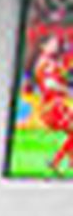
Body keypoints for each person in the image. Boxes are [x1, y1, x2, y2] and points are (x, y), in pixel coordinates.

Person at [31, 32, 73, 174]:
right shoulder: (45, 62)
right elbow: (50, 84)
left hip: (55, 104)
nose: (56, 45)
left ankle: (68, 162)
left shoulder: (50, 61)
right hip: (53, 105)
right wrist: (67, 90)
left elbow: (59, 76)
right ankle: (56, 161)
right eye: (52, 43)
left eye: (56, 43)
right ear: (43, 46)